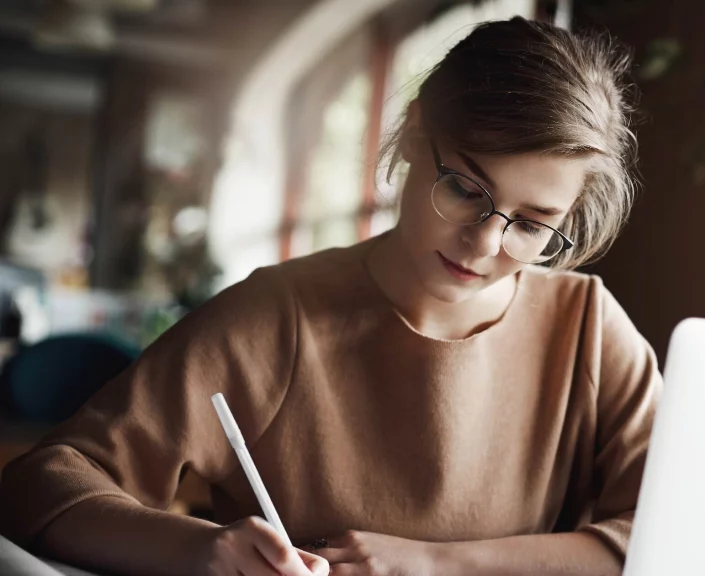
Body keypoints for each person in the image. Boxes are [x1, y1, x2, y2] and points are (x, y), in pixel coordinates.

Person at [0, 17, 661, 576]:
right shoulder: (276, 316)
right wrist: (206, 551)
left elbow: (670, 535)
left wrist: (431, 562)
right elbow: (42, 485)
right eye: (465, 188)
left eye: (532, 223)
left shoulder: (590, 331)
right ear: (410, 135)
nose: (485, 245)